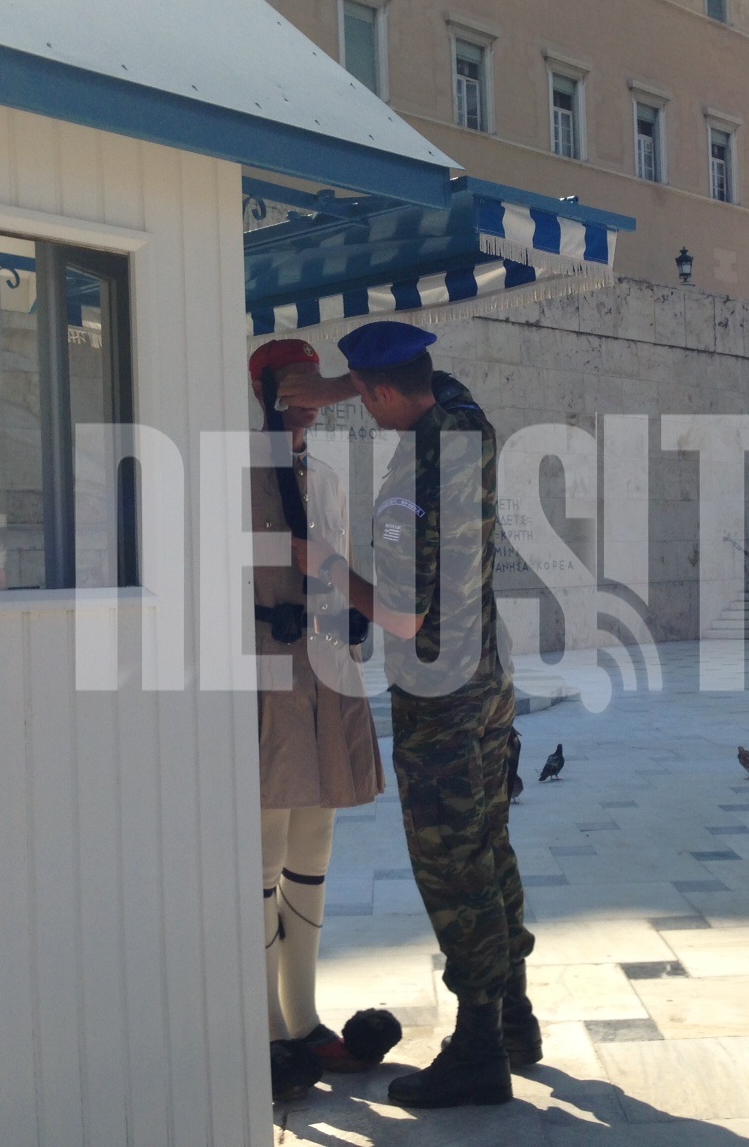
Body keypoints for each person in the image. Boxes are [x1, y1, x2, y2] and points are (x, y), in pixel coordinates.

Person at [289, 322, 537, 1109]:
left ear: (384, 392)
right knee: (489, 847)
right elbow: (442, 384)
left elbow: (401, 616)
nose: (362, 410)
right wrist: (345, 383)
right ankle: (516, 1018)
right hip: (489, 680)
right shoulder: (468, 429)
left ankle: (478, 1050)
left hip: (440, 700)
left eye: (366, 398)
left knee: (454, 869)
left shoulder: (409, 489)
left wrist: (326, 566)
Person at [247, 339, 385, 1099]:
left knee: (315, 840)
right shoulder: (235, 477)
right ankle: (266, 1024)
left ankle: (303, 1017)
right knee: (264, 845)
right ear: (263, 394)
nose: (304, 407)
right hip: (265, 672)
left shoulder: (325, 478)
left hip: (324, 671)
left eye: (311, 393)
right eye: (290, 392)